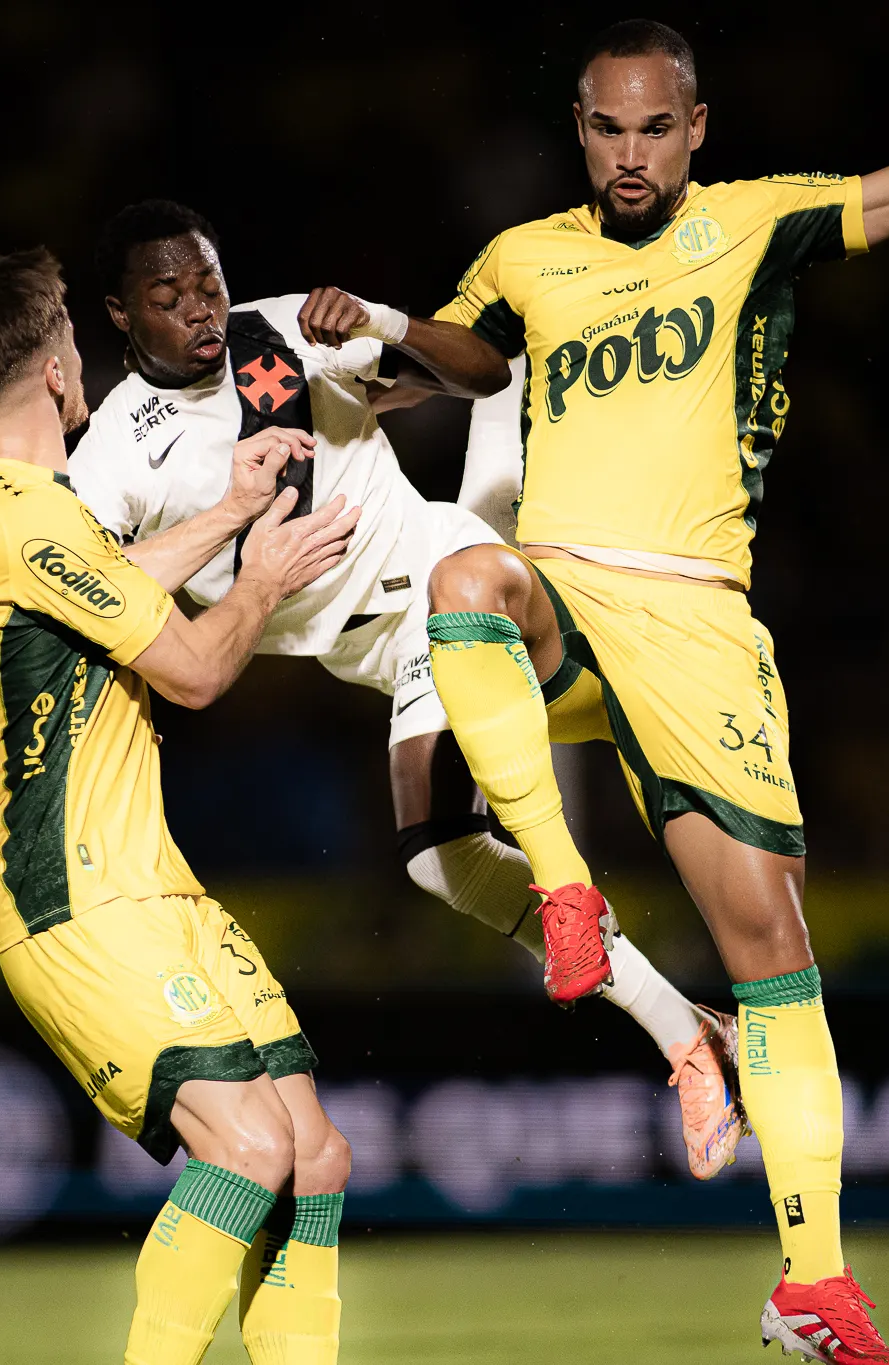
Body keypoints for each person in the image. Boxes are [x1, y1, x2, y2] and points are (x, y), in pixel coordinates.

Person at [289, 13, 889, 1361]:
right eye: (605, 128)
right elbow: (454, 360)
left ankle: (812, 1283)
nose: (629, 153)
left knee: (773, 954)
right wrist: (354, 344)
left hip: (700, 625)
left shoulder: (755, 223)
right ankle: (566, 891)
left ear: (696, 127)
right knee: (468, 580)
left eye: (655, 128)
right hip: (565, 591)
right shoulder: (526, 255)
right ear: (577, 129)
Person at [68, 199, 742, 1180]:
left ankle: (622, 899)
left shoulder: (284, 329)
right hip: (376, 656)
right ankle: (692, 1029)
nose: (201, 310)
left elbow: (479, 373)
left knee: (498, 788)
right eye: (168, 298)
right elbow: (95, 588)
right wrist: (231, 521)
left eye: (208, 283)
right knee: (440, 864)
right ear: (120, 315)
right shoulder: (112, 452)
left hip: (443, 578)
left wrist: (386, 324)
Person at [0, 245, 362, 1365]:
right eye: (73, 331)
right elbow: (196, 672)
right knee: (247, 1148)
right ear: (53, 367)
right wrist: (261, 575)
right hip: (77, 900)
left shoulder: (7, 510)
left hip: (150, 887)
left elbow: (108, 584)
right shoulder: (18, 518)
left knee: (313, 1157)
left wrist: (230, 507)